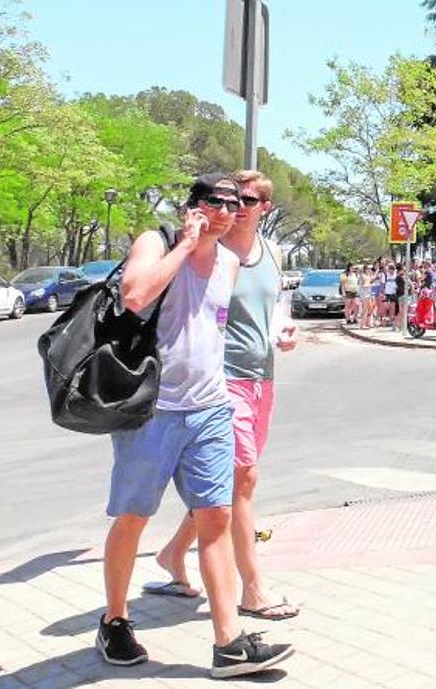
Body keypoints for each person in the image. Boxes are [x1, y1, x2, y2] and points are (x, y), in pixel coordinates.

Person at [101, 174, 293, 678]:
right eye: (217, 201)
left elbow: (212, 330)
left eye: (235, 203)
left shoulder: (231, 262)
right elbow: (136, 296)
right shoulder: (156, 241)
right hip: (153, 409)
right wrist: (187, 242)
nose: (227, 210)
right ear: (194, 205)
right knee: (133, 517)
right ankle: (115, 620)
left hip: (210, 408)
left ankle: (228, 641)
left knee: (216, 519)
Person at [154, 168, 301, 629]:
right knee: (244, 481)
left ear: (265, 208)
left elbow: (275, 306)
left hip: (263, 377)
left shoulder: (272, 252)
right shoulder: (210, 253)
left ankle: (174, 553)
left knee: (224, 485)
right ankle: (252, 589)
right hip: (222, 380)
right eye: (233, 199)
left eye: (249, 201)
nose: (238, 208)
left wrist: (285, 329)